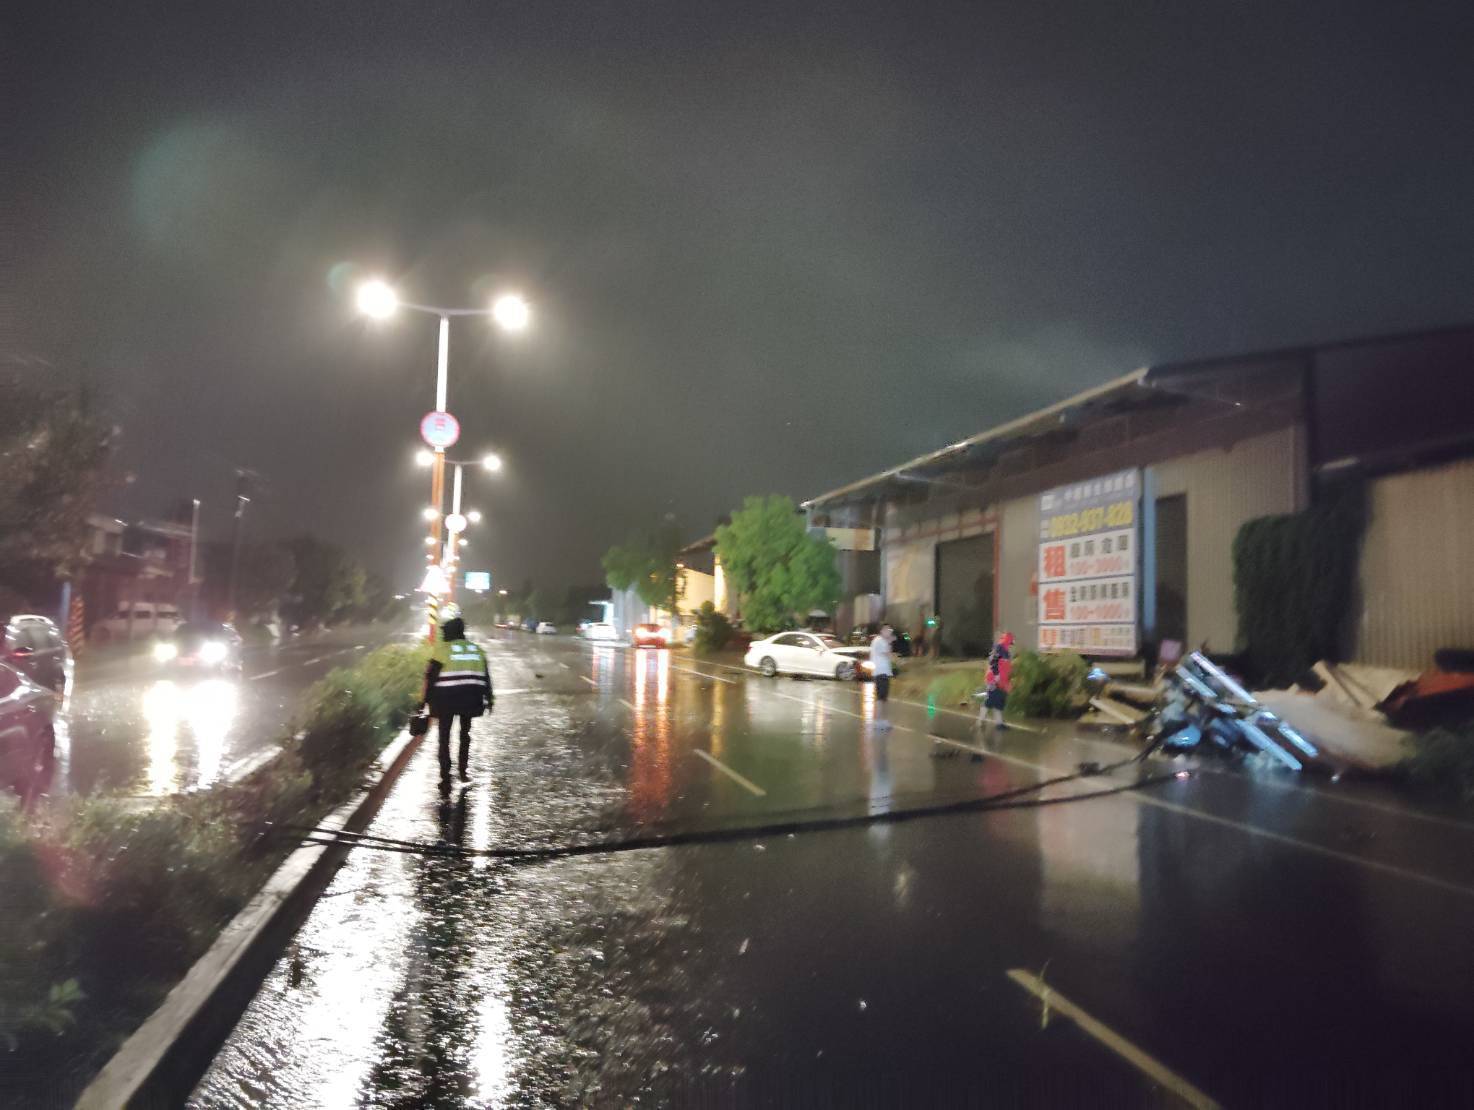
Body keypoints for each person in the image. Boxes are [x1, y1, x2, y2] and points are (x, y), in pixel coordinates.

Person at [420, 617, 493, 785]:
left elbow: (430, 679)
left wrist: (422, 702)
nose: (443, 634)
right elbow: (486, 677)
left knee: (444, 737)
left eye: (444, 631)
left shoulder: (442, 651)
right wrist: (490, 699)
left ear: (450, 632)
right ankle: (462, 771)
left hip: (445, 701)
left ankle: (445, 775)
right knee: (465, 735)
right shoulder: (477, 651)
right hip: (470, 699)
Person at [978, 631, 1015, 733]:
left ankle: (998, 723)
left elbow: (1004, 667)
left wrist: (1006, 681)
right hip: (993, 680)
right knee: (990, 700)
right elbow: (993, 662)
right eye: (1010, 643)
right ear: (1008, 641)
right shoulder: (999, 649)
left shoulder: (1005, 651)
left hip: (1000, 680)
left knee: (999, 701)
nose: (1011, 645)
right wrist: (996, 674)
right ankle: (981, 721)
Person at [870, 623, 895, 730]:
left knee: (883, 698)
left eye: (890, 629)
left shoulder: (881, 641)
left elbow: (889, 655)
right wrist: (890, 641)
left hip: (883, 672)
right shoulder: (879, 640)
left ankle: (882, 720)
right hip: (880, 672)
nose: (889, 631)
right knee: (881, 698)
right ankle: (879, 721)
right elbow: (889, 654)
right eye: (887, 630)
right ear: (882, 631)